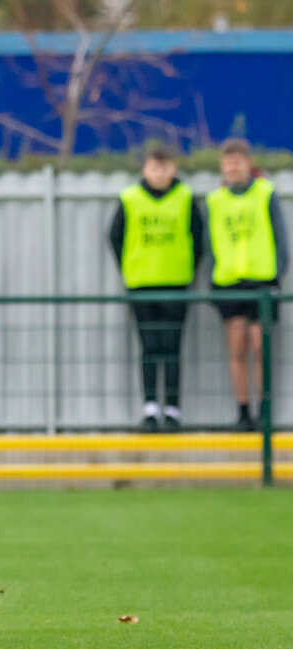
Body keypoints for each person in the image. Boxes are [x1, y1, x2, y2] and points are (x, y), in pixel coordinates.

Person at [108, 147, 204, 432]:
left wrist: (184, 266)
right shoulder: (130, 198)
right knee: (149, 346)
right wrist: (132, 267)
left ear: (173, 169)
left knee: (172, 346)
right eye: (154, 167)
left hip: (175, 282)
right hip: (142, 283)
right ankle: (150, 409)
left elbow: (198, 239)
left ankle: (172, 410)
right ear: (145, 169)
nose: (159, 173)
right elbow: (115, 237)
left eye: (165, 167)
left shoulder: (185, 198)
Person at [205, 138, 287, 432]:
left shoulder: (265, 193)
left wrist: (277, 276)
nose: (232, 167)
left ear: (248, 164)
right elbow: (209, 244)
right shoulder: (216, 200)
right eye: (227, 163)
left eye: (237, 161)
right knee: (236, 348)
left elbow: (280, 240)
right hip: (229, 282)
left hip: (261, 281)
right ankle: (243, 412)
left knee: (259, 347)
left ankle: (265, 411)